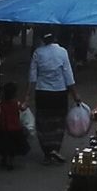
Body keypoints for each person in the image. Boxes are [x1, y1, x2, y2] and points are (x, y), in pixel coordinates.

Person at [28, 32, 76, 162]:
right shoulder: (62, 52)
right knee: (59, 122)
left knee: (43, 123)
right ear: (55, 38)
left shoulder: (38, 52)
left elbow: (33, 77)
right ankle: (55, 148)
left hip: (42, 92)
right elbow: (68, 76)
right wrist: (75, 96)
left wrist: (27, 98)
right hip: (59, 93)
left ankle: (47, 150)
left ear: (43, 40)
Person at [0, 80, 31, 170]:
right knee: (13, 146)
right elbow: (23, 108)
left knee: (4, 145)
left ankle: (4, 158)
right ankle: (10, 161)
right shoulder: (16, 103)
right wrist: (26, 103)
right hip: (15, 128)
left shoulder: (2, 104)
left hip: (4, 128)